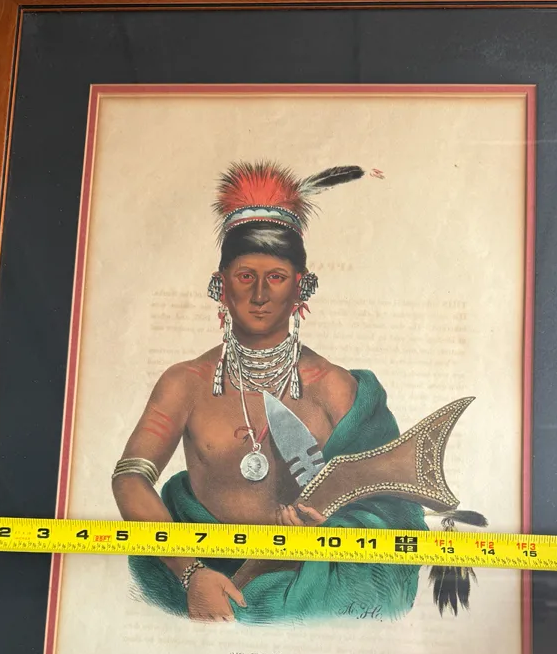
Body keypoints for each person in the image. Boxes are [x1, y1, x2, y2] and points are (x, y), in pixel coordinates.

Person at [111, 161, 425, 623]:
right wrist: (191, 573)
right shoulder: (185, 383)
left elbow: (390, 504)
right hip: (195, 577)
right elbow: (129, 478)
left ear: (301, 286)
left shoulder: (335, 389)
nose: (259, 294)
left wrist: (329, 533)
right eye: (245, 276)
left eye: (275, 277)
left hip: (312, 587)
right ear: (220, 286)